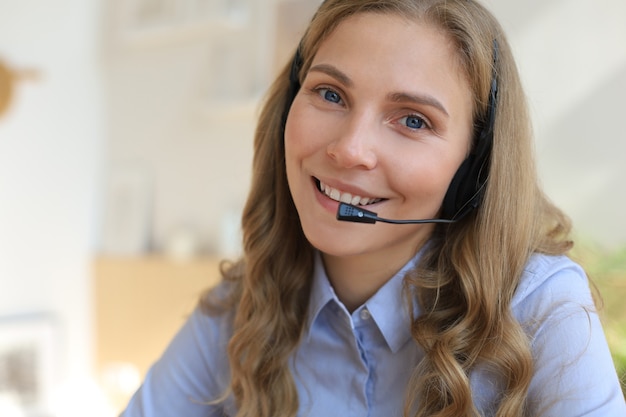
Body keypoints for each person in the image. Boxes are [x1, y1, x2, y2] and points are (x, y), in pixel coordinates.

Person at [120, 0, 626, 416]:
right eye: (330, 93)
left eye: (412, 121)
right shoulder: (239, 309)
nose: (349, 149)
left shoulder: (541, 307)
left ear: (474, 170)